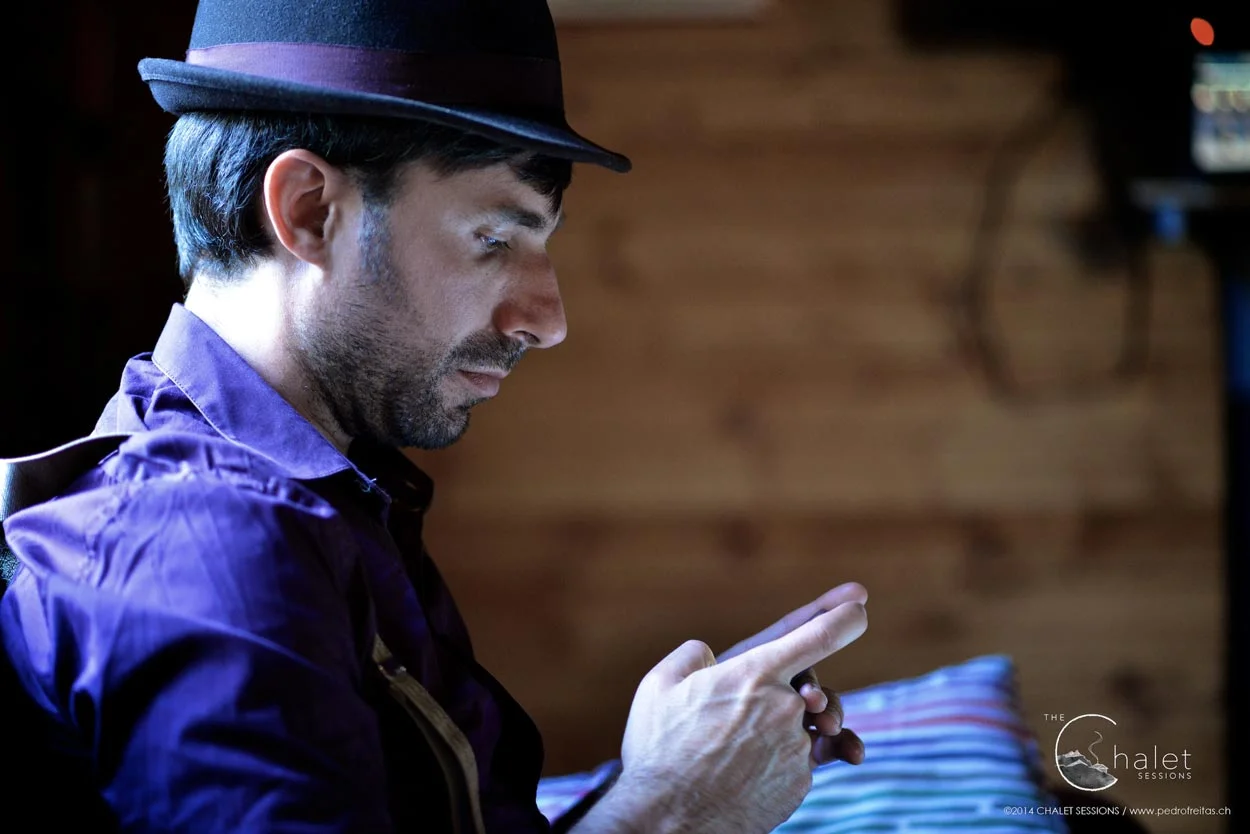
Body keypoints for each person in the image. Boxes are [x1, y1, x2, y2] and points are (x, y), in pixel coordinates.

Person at [0, 0, 870, 831]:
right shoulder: (208, 550)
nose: (548, 320)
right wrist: (673, 807)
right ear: (308, 210)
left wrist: (685, 758)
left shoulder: (323, 491)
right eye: (494, 238)